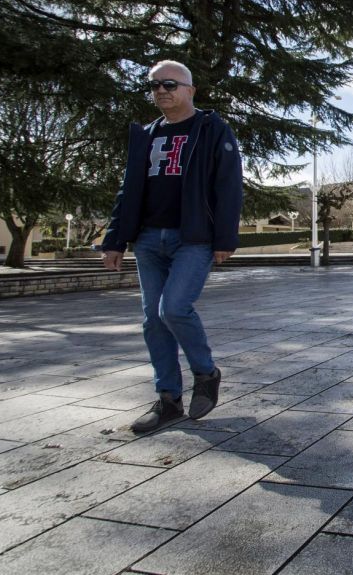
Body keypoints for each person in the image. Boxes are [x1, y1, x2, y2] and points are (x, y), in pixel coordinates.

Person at [101, 60, 243, 433]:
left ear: (190, 89)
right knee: (153, 320)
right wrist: (114, 240)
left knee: (174, 308)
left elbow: (229, 187)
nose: (162, 90)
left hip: (193, 238)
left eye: (170, 84)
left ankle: (205, 372)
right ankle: (168, 400)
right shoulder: (146, 134)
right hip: (148, 238)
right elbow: (127, 190)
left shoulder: (212, 129)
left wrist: (225, 239)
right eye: (155, 85)